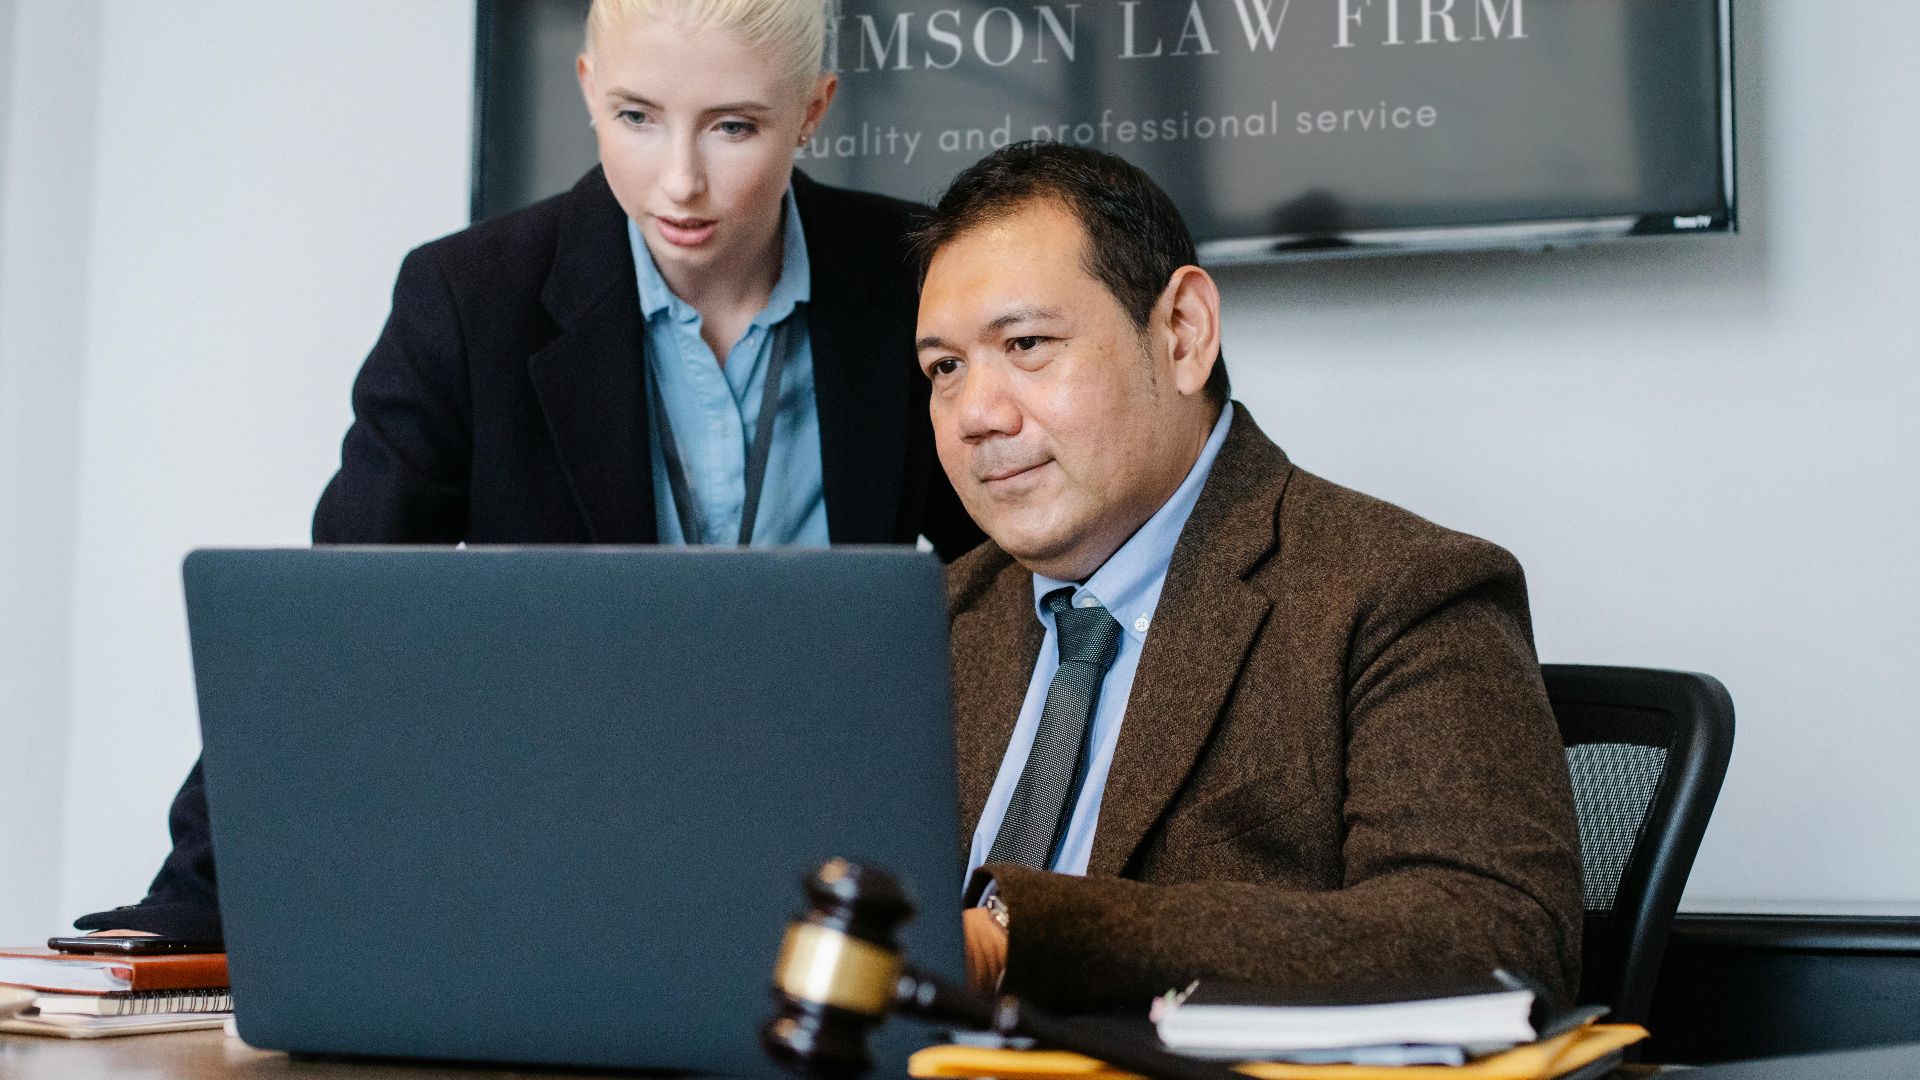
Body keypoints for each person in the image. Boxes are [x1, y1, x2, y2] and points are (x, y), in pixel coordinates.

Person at [75, 0, 980, 940]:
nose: (681, 183)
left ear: (813, 109)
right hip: (567, 858)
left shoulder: (917, 280)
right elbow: (339, 628)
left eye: (735, 127)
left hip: (842, 860)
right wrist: (189, 905)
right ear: (589, 91)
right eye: (637, 117)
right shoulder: (469, 300)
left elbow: (1014, 586)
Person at [912, 142, 1582, 1010]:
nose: (975, 416)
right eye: (945, 368)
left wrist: (1020, 940)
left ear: (1183, 334)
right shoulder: (928, 620)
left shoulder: (1403, 591)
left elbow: (1494, 937)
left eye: (1028, 343)